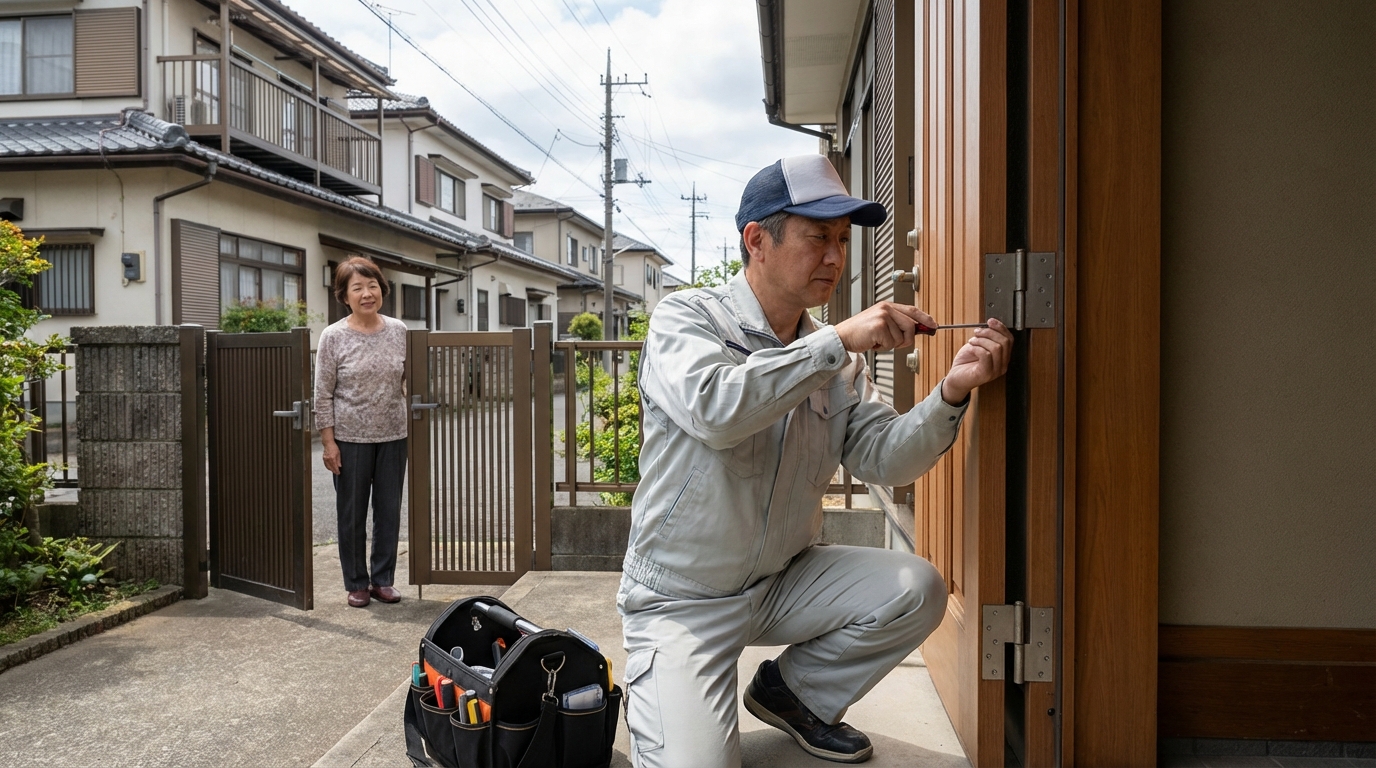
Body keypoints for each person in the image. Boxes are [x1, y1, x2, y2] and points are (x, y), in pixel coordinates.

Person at [619, 155, 1014, 766]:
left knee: (918, 588)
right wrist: (836, 340)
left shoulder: (836, 360)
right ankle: (663, 693)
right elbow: (716, 411)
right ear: (757, 240)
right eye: (818, 237)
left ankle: (794, 694)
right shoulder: (688, 317)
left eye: (843, 240)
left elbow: (885, 458)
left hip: (782, 580)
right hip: (683, 600)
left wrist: (952, 392)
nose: (835, 256)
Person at [313, 256, 409, 608]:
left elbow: (408, 380)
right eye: (358, 288)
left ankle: (383, 579)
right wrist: (328, 443)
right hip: (349, 439)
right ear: (344, 295)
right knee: (352, 513)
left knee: (388, 511)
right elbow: (322, 393)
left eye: (372, 286)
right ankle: (356, 582)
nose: (367, 294)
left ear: (382, 289)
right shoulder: (333, 336)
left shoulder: (398, 330)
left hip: (394, 435)